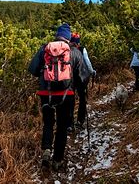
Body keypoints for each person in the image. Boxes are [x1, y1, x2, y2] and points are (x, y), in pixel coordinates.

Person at [28, 23, 88, 171]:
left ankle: (47, 150)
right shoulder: (74, 51)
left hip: (46, 94)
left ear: (56, 35)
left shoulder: (44, 49)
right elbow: (82, 77)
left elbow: (33, 69)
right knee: (61, 126)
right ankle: (58, 160)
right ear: (68, 38)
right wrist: (81, 89)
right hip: (66, 95)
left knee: (48, 123)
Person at [68, 32, 95, 131]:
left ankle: (70, 123)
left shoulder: (67, 50)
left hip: (69, 79)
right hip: (81, 77)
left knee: (70, 100)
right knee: (82, 99)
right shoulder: (82, 49)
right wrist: (92, 72)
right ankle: (80, 121)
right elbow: (87, 62)